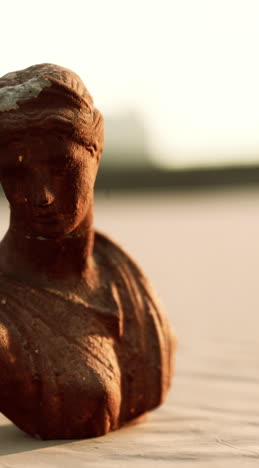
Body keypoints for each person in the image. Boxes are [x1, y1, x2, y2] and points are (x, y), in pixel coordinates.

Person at [0, 64, 176, 439]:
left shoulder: (123, 270)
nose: (40, 196)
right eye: (16, 175)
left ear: (94, 154)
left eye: (60, 167)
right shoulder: (7, 315)